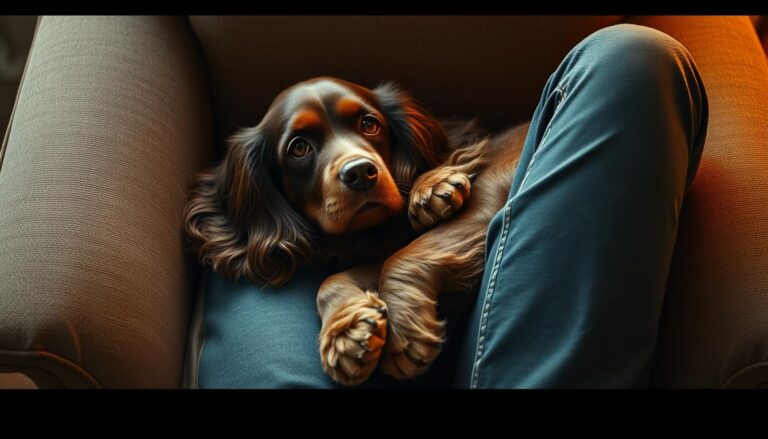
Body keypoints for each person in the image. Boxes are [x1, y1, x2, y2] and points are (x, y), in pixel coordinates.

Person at [197, 23, 708, 389]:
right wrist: (343, 292)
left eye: (368, 127)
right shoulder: (273, 262)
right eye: (301, 148)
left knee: (632, 58)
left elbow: (513, 158)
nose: (355, 162)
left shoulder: (455, 178)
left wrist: (415, 265)